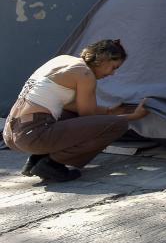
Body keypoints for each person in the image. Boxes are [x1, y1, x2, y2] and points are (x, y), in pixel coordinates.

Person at [3, 39, 149, 182]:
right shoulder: (85, 74)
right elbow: (89, 117)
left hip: (13, 132)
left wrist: (109, 111)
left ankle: (39, 158)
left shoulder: (62, 60)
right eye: (114, 67)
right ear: (102, 60)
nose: (112, 74)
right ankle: (52, 164)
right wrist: (132, 116)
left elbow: (71, 107)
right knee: (118, 125)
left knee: (73, 115)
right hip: (34, 134)